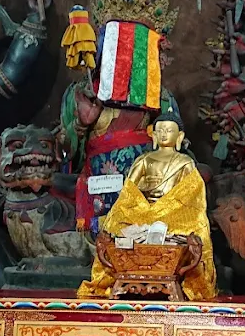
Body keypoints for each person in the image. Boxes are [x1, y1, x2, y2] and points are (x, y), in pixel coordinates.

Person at [78, 109, 216, 301]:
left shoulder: (185, 163)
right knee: (115, 226)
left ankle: (179, 277)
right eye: (160, 130)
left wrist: (164, 207)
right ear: (153, 134)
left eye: (169, 130)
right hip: (141, 211)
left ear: (180, 136)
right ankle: (120, 273)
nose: (164, 134)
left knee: (195, 228)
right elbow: (130, 190)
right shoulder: (144, 160)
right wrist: (144, 207)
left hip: (173, 212)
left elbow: (191, 194)